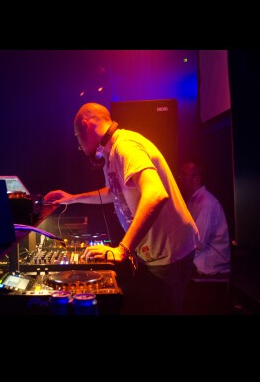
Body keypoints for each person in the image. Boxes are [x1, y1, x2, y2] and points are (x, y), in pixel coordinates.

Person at [44, 102, 199, 315]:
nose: (79, 144)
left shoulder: (126, 146)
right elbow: (113, 192)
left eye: (77, 137)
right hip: (155, 255)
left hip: (169, 255)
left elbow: (156, 194)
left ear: (85, 125)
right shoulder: (111, 153)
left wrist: (123, 249)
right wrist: (72, 199)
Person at [178, 161, 231, 276]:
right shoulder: (192, 201)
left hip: (210, 264)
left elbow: (199, 243)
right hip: (201, 258)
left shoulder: (207, 203)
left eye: (184, 174)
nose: (179, 178)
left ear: (196, 179)